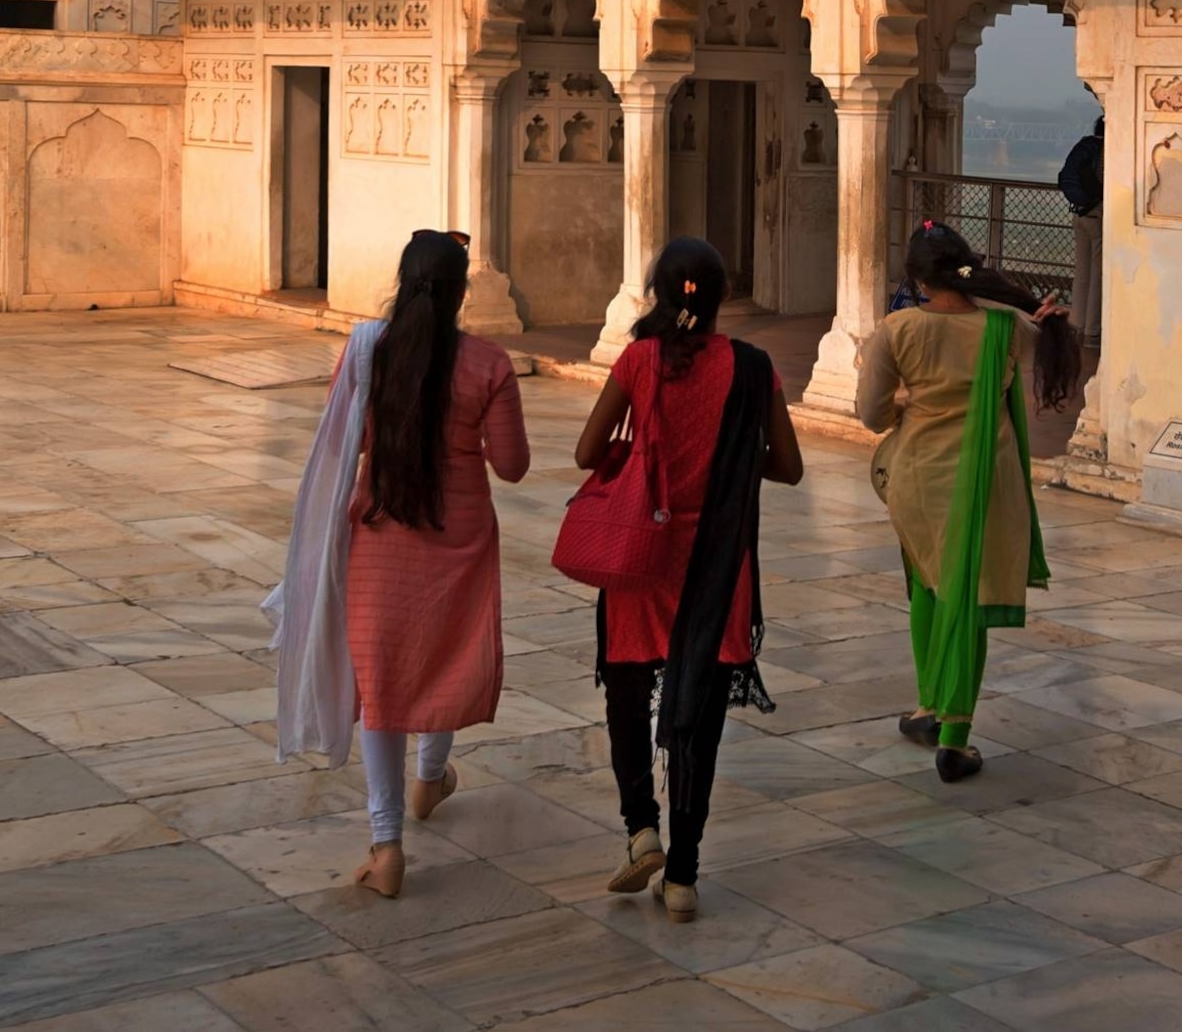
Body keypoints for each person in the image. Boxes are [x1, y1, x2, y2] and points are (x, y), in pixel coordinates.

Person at [265, 229, 529, 899]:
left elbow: (341, 442)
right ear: (462, 291)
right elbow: (513, 464)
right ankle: (429, 778)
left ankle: (387, 846)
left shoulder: (367, 352)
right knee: (444, 650)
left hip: (383, 531)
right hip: (459, 531)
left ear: (402, 281)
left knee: (381, 680)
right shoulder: (488, 362)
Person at [572, 237, 803, 922]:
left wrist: (644, 449)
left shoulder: (641, 359)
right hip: (717, 559)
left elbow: (587, 450)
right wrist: (731, 459)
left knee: (625, 680)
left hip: (644, 548)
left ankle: (641, 827)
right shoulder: (753, 368)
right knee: (700, 710)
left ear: (659, 294)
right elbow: (787, 465)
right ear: (722, 296)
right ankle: (684, 875)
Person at [859, 220, 1082, 781]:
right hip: (986, 475)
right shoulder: (1006, 328)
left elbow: (871, 415)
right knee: (968, 595)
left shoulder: (896, 329)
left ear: (915, 276)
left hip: (917, 476)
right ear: (968, 267)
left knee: (929, 586)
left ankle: (930, 706)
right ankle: (954, 738)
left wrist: (907, 408)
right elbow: (1046, 333)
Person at [1055, 118, 1106, 349]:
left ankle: (1076, 323)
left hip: (1080, 214)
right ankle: (1092, 331)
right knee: (1098, 273)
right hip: (1099, 214)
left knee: (1082, 272)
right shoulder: (1106, 150)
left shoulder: (1085, 147)